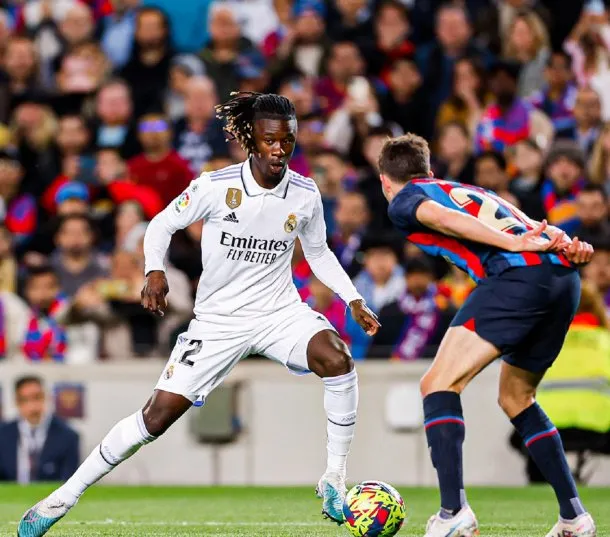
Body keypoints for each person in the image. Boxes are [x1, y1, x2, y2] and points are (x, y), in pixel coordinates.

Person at [17, 92, 380, 537]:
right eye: (270, 140)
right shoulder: (215, 186)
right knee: (155, 419)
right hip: (218, 322)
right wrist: (154, 271)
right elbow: (161, 224)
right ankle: (62, 498)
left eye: (287, 140)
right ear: (250, 139)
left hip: (279, 312)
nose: (279, 149)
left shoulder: (305, 193)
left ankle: (334, 480)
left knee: (338, 358)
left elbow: (319, 252)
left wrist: (352, 298)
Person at [376, 133, 597, 537]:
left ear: (384, 181)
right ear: (430, 170)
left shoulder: (405, 198)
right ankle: (574, 518)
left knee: (437, 384)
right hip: (562, 279)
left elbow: (439, 218)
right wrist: (569, 246)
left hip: (517, 277)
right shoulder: (468, 191)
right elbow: (535, 228)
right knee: (516, 397)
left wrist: (509, 243)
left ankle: (453, 512)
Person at [0, 376, 79, 483]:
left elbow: (70, 480)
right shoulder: (3, 434)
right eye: (25, 400)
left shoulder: (68, 436)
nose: (33, 406)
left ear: (46, 397)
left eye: (37, 397)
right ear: (17, 402)